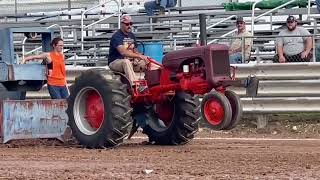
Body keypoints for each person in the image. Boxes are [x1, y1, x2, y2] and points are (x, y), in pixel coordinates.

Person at [108, 14, 151, 92]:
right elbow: (123, 52)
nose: (129, 26)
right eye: (127, 24)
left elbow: (135, 50)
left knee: (148, 61)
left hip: (130, 61)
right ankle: (136, 86)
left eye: (131, 24)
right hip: (115, 62)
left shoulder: (131, 35)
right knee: (126, 62)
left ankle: (152, 84)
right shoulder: (116, 36)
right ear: (122, 24)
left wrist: (139, 58)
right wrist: (139, 56)